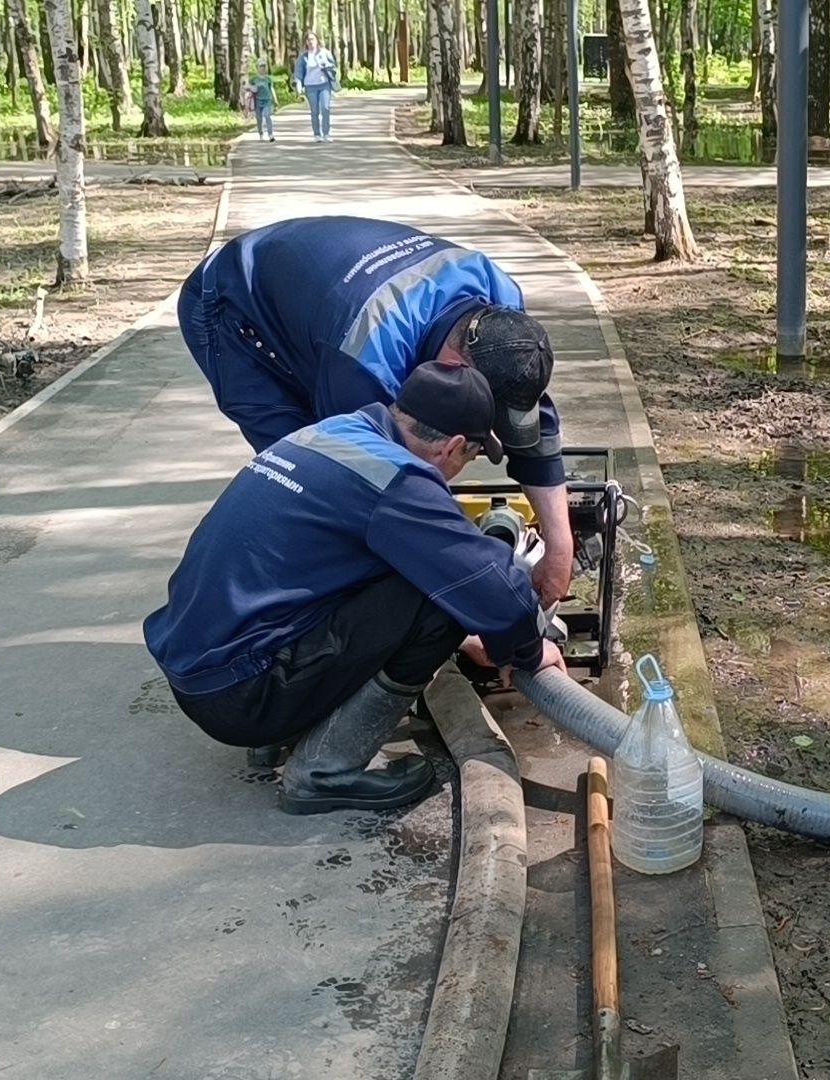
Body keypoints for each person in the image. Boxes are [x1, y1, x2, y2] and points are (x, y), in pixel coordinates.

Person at [143, 362, 567, 815]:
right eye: (470, 459)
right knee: (436, 601)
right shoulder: (398, 480)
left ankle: (278, 736)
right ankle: (325, 772)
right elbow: (489, 587)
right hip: (242, 693)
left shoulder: (337, 432)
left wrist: (473, 637)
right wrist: (527, 649)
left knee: (404, 566)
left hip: (202, 667)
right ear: (454, 447)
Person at [176, 215, 574, 608]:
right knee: (306, 465)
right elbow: (376, 484)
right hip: (231, 304)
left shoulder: (503, 313)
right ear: (454, 368)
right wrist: (464, 581)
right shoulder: (365, 363)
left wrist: (559, 546)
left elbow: (533, 416)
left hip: (324, 296)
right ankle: (296, 620)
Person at [294, 30, 336, 141]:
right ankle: (317, 134)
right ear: (306, 42)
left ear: (317, 40)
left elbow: (333, 66)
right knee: (314, 110)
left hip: (324, 84)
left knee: (325, 108)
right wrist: (298, 85)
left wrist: (327, 66)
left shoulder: (325, 52)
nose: (311, 41)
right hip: (310, 86)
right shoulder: (303, 56)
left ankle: (326, 133)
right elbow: (298, 72)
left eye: (312, 39)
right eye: (308, 40)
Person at [248, 59, 276, 142]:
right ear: (257, 67)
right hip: (257, 101)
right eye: (261, 66)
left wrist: (275, 100)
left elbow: (272, 89)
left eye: (264, 66)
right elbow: (248, 88)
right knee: (259, 119)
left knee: (267, 116)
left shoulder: (268, 79)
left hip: (267, 100)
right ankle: (261, 134)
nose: (263, 68)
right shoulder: (253, 79)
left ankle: (270, 134)